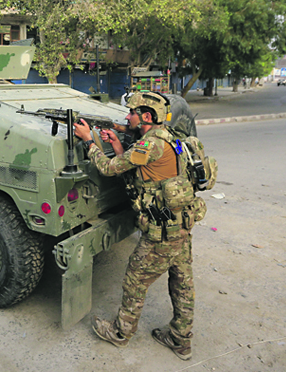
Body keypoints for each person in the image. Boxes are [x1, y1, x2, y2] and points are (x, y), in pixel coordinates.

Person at [73, 91, 202, 361]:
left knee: (135, 280)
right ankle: (180, 339)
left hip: (163, 231)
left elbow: (109, 168)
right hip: (181, 223)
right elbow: (141, 168)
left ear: (145, 116)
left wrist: (89, 142)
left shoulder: (149, 145)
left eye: (131, 113)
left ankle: (120, 333)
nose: (126, 116)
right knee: (182, 281)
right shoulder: (167, 137)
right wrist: (119, 145)